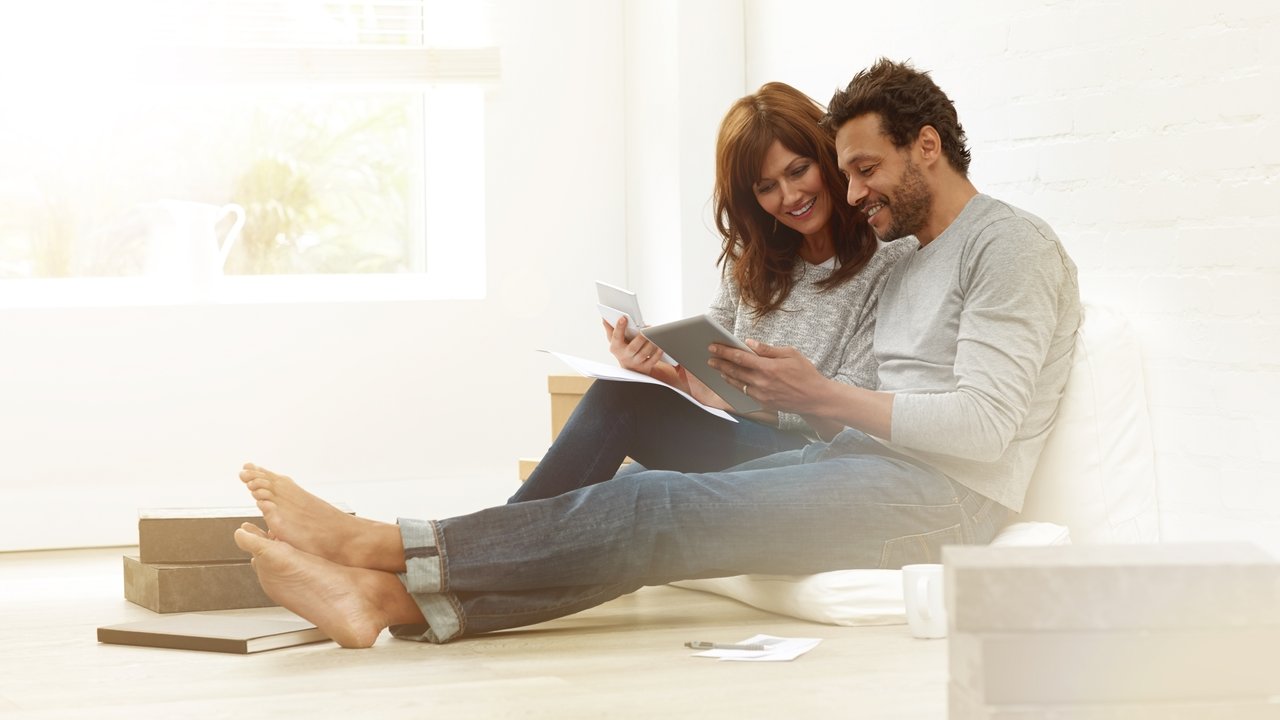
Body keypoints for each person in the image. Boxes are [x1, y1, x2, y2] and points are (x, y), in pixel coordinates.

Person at [232, 59, 1082, 648]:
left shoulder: (1009, 246)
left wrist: (822, 399)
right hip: (873, 464)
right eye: (848, 172)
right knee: (643, 491)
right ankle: (385, 603)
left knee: (655, 508)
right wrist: (697, 377)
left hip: (944, 502)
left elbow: (984, 427)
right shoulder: (923, 253)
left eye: (862, 171)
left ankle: (380, 548)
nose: (851, 193)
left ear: (925, 146)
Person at [510, 81, 909, 503]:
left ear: (827, 158)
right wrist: (657, 369)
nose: (790, 196)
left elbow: (849, 413)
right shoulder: (754, 262)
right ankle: (479, 547)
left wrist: (739, 399)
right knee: (612, 490)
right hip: (737, 434)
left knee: (622, 409)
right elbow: (709, 381)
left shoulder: (888, 262)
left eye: (798, 170)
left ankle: (470, 548)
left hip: (813, 455)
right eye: (766, 187)